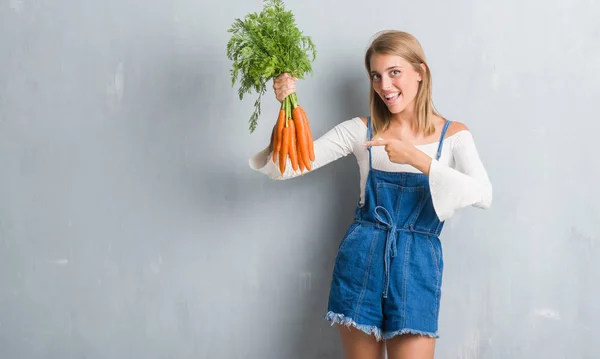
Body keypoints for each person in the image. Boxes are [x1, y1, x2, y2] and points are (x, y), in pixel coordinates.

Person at [248, 30, 492, 359]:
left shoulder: (453, 135)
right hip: (361, 260)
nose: (385, 86)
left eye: (395, 73)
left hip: (417, 266)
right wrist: (286, 110)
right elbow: (287, 168)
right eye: (376, 76)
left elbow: (483, 195)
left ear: (419, 73)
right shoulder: (360, 131)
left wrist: (416, 158)